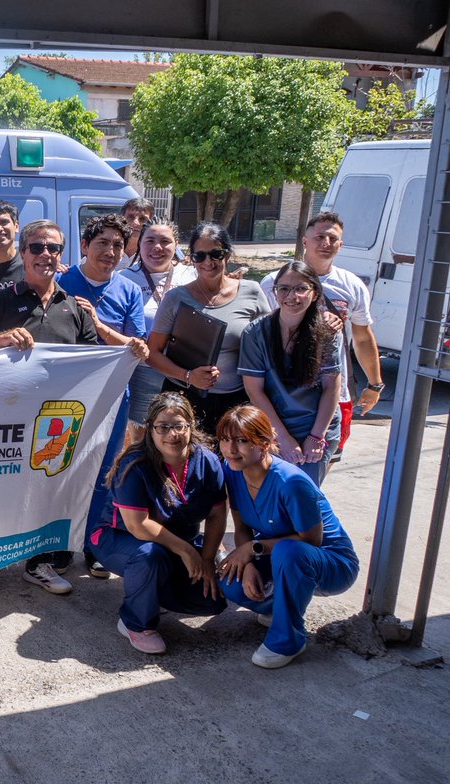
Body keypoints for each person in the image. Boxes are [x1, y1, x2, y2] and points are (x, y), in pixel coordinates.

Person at [0, 219, 100, 599]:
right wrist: (0, 339)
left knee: (45, 491)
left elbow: (95, 364)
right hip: (5, 420)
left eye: (53, 248)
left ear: (62, 256)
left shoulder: (74, 307)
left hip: (56, 423)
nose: (45, 254)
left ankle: (37, 564)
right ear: (23, 253)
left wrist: (128, 351)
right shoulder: (2, 300)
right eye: (37, 247)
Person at [216, 405, 359, 669]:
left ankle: (288, 639)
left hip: (328, 561)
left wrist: (253, 548)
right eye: (225, 439)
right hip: (275, 554)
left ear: (265, 442)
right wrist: (247, 564)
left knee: (288, 552)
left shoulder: (291, 481)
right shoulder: (233, 470)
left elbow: (312, 540)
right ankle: (281, 609)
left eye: (242, 440)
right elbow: (241, 527)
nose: (230, 449)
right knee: (231, 580)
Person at [92, 392, 227, 654]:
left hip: (175, 544)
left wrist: (208, 559)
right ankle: (135, 623)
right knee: (149, 557)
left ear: (191, 426)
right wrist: (187, 552)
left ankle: (150, 592)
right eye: (163, 427)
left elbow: (217, 514)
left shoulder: (207, 461)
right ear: (151, 429)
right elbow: (138, 526)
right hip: (120, 540)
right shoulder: (135, 465)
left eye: (179, 426)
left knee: (212, 602)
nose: (172, 434)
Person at [57, 213, 151, 579]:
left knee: (104, 473)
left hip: (113, 398)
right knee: (63, 467)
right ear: (84, 245)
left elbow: (139, 348)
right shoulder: (63, 282)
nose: (110, 251)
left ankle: (97, 544)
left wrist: (98, 327)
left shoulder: (128, 289)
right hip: (66, 399)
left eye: (117, 245)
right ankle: (60, 546)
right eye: (102, 243)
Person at [260, 212, 385, 462]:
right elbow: (263, 336)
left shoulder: (351, 285)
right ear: (305, 241)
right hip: (284, 391)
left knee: (324, 461)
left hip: (335, 394)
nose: (326, 243)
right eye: (319, 237)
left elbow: (361, 337)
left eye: (333, 238)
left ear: (341, 244)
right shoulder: (274, 282)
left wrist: (374, 384)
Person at [147, 222, 271, 435]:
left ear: (228, 255)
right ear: (191, 259)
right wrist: (188, 376)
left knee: (231, 464)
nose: (208, 262)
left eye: (216, 254)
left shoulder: (252, 291)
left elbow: (269, 343)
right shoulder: (175, 298)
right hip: (184, 400)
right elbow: (152, 353)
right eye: (200, 256)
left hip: (237, 400)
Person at [239, 262, 341, 485]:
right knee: (273, 495)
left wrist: (316, 437)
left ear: (314, 293)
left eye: (301, 288)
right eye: (283, 288)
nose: (291, 295)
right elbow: (255, 391)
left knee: (304, 497)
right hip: (274, 427)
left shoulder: (327, 331)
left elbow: (332, 387)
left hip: (317, 427)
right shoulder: (256, 332)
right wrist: (282, 438)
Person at [120, 217, 197, 434]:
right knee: (141, 435)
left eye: (165, 241)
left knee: (179, 434)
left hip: (183, 372)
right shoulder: (124, 278)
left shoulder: (192, 276)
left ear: (176, 245)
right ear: (139, 243)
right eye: (150, 241)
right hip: (141, 371)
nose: (157, 248)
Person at [115, 197, 155, 270]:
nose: (135, 223)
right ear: (121, 219)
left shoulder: (154, 253)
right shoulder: (108, 248)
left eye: (143, 219)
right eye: (130, 217)